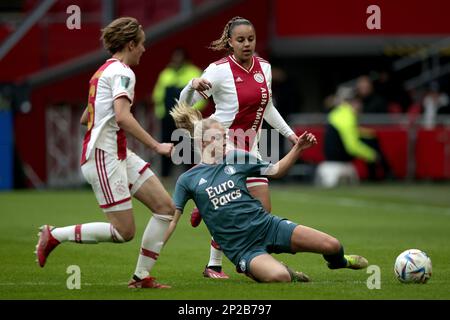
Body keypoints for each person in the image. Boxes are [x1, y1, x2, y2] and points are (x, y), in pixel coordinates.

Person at [35, 17, 175, 289]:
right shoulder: (123, 72)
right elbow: (122, 117)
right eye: (142, 45)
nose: (144, 50)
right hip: (104, 156)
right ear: (131, 44)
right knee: (124, 232)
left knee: (165, 208)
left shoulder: (101, 72)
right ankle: (53, 235)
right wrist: (157, 145)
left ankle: (140, 277)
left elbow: (86, 116)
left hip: (117, 153)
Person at [165, 103, 368, 283]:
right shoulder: (188, 179)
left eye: (225, 136)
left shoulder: (237, 157)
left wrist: (298, 148)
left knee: (332, 245)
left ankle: (339, 262)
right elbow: (171, 220)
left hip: (267, 226)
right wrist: (151, 253)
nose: (226, 140)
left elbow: (276, 171)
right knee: (280, 277)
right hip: (243, 249)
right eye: (219, 138)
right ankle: (279, 271)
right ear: (203, 142)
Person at [178, 16, 298, 278]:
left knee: (263, 210)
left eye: (251, 39)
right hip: (221, 144)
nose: (246, 44)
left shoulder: (264, 67)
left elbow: (267, 108)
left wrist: (290, 135)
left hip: (250, 145)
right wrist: (191, 85)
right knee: (234, 204)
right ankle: (216, 264)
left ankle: (208, 207)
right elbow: (184, 104)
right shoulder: (218, 70)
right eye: (240, 40)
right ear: (230, 42)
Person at [152, 48, 206, 177]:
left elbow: (202, 99)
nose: (176, 61)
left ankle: (192, 178)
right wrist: (161, 114)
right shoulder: (165, 74)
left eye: (179, 59)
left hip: (186, 122)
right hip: (167, 120)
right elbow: (157, 96)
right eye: (174, 58)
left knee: (188, 152)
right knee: (167, 150)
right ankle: (165, 179)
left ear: (185, 60)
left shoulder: (194, 73)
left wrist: (188, 114)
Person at [324, 86, 391, 180]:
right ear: (354, 102)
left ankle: (381, 173)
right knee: (371, 144)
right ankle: (381, 174)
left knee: (372, 138)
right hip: (338, 158)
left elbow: (353, 132)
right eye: (359, 102)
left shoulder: (338, 113)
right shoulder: (347, 116)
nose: (361, 106)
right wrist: (373, 156)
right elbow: (352, 146)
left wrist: (370, 134)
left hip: (332, 156)